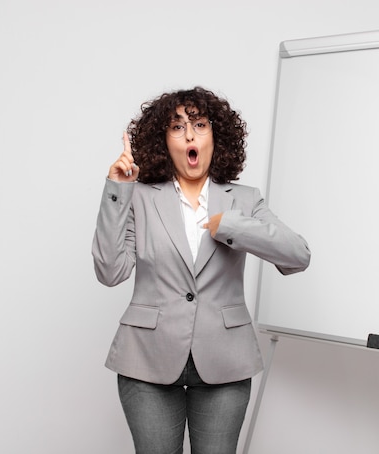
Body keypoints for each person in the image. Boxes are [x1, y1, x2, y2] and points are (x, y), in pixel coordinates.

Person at [92, 86, 310, 454]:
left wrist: (232, 226)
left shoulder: (244, 198)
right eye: (177, 127)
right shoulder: (140, 196)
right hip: (147, 359)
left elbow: (297, 256)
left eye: (200, 124)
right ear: (165, 141)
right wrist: (118, 188)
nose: (190, 134)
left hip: (225, 363)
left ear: (216, 136)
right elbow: (111, 271)